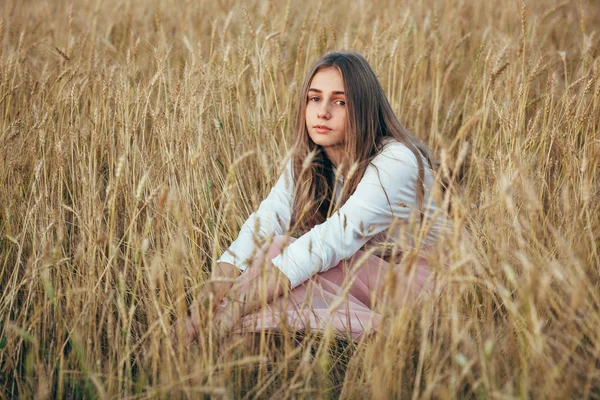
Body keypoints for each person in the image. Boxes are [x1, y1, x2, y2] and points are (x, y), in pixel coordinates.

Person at [173, 51, 449, 345]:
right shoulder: (309, 161)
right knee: (270, 276)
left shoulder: (396, 162)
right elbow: (264, 223)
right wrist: (203, 305)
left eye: (340, 102)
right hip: (364, 273)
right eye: (314, 98)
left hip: (423, 285)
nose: (323, 112)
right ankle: (211, 343)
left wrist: (235, 304)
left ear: (365, 109)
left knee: (278, 273)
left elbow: (331, 241)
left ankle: (214, 345)